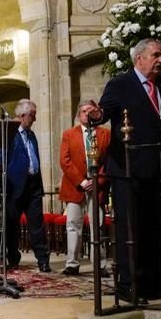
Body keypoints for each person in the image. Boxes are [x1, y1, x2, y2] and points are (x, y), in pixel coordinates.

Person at [92, 38, 161, 301]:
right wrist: (96, 116)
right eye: (156, 55)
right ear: (139, 58)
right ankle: (128, 284)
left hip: (160, 169)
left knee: (154, 227)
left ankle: (152, 283)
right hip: (129, 169)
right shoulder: (120, 84)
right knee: (130, 229)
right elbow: (104, 112)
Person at [58, 100, 111, 276]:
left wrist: (97, 181)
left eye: (90, 111)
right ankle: (72, 263)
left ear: (97, 112)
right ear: (78, 115)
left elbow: (108, 161)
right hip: (76, 187)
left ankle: (100, 265)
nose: (87, 114)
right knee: (73, 225)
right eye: (83, 111)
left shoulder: (105, 134)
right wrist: (81, 182)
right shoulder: (69, 134)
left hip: (97, 186)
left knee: (98, 224)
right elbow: (65, 161)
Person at [1, 99, 51, 272]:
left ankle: (43, 260)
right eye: (33, 115)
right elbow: (0, 158)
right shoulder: (8, 132)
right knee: (12, 225)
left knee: (37, 224)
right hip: (14, 186)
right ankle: (13, 258)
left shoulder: (32, 134)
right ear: (23, 116)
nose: (35, 119)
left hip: (33, 186)